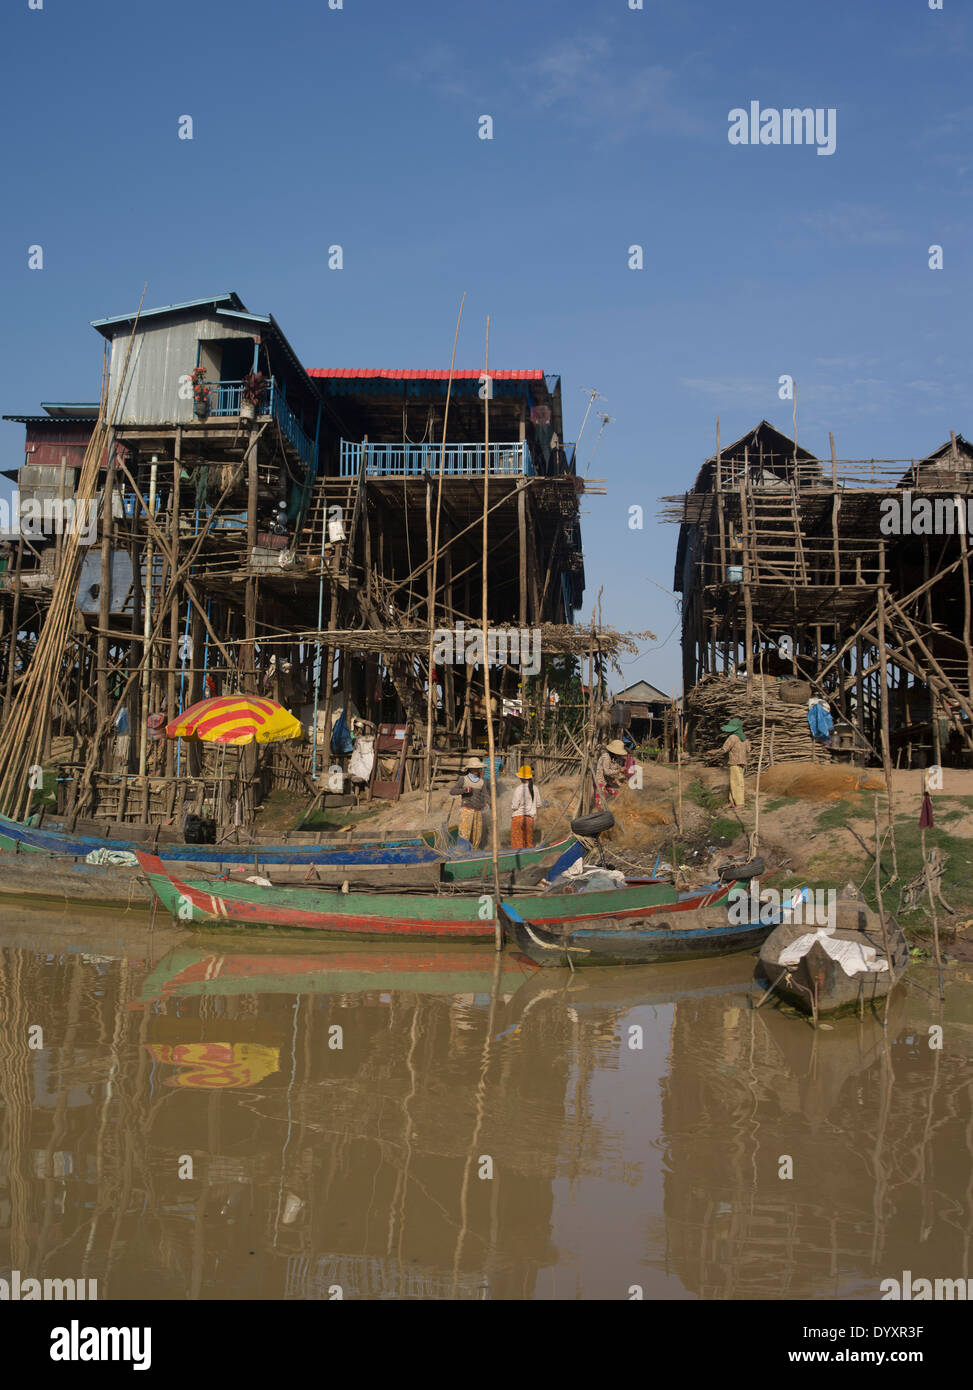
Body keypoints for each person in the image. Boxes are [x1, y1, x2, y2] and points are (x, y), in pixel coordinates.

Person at [709, 718, 749, 807]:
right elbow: (749, 749)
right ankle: (732, 802)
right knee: (737, 782)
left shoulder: (732, 737)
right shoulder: (744, 738)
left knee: (735, 783)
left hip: (734, 763)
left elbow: (724, 749)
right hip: (743, 764)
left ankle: (739, 803)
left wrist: (714, 752)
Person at [449, 757, 488, 849]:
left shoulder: (481, 782)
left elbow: (486, 795)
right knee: (464, 834)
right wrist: (464, 790)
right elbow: (452, 791)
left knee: (476, 835)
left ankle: (474, 852)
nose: (476, 770)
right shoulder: (464, 779)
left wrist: (487, 804)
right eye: (474, 768)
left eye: (477, 768)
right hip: (466, 810)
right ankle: (462, 852)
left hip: (478, 811)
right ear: (470, 769)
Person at [510, 764, 540, 849]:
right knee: (528, 843)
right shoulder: (535, 789)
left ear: (521, 778)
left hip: (518, 818)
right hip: (529, 819)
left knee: (517, 844)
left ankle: (517, 860)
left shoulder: (519, 789)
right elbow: (538, 804)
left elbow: (514, 806)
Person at [594, 739, 627, 805]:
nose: (620, 755)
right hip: (600, 779)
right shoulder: (606, 757)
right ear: (614, 752)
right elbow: (607, 771)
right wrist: (619, 770)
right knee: (601, 799)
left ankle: (619, 807)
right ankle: (600, 811)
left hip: (609, 780)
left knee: (618, 793)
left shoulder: (616, 759)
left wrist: (622, 778)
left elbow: (617, 770)